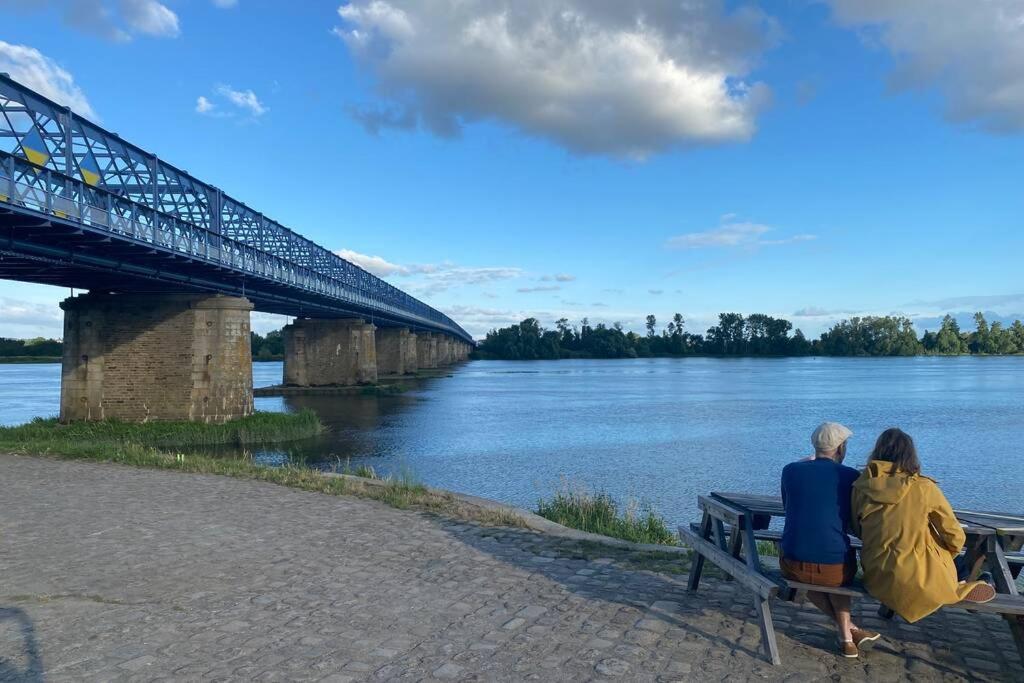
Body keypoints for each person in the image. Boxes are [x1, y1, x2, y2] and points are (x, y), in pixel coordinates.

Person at [852, 428, 995, 623]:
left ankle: (964, 581)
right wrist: (946, 553)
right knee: (951, 559)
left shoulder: (861, 487)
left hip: (876, 576)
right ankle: (968, 583)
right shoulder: (924, 488)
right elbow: (955, 535)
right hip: (918, 576)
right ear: (910, 455)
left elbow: (857, 529)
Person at [780, 422, 880, 659]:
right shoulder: (850, 476)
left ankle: (847, 636)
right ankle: (849, 632)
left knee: (811, 579)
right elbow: (854, 521)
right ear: (840, 448)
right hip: (835, 570)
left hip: (793, 565)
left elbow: (788, 507)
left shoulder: (790, 470)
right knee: (836, 571)